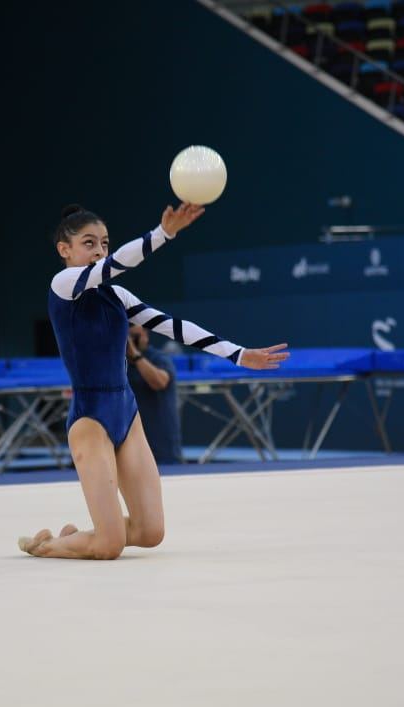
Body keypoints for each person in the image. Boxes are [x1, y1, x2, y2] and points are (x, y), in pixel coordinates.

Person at [18, 203, 289, 560]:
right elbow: (115, 266)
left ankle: (81, 535)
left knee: (150, 533)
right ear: (64, 250)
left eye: (104, 242)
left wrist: (239, 354)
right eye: (89, 243)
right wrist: (163, 234)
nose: (99, 250)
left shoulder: (117, 296)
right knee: (109, 546)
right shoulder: (63, 285)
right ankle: (49, 544)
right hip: (90, 419)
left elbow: (174, 327)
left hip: (127, 414)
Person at [126, 323, 181, 466]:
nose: (130, 342)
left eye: (134, 337)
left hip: (160, 443)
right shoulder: (117, 363)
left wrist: (136, 357)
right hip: (129, 443)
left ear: (145, 335)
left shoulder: (158, 358)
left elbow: (160, 382)